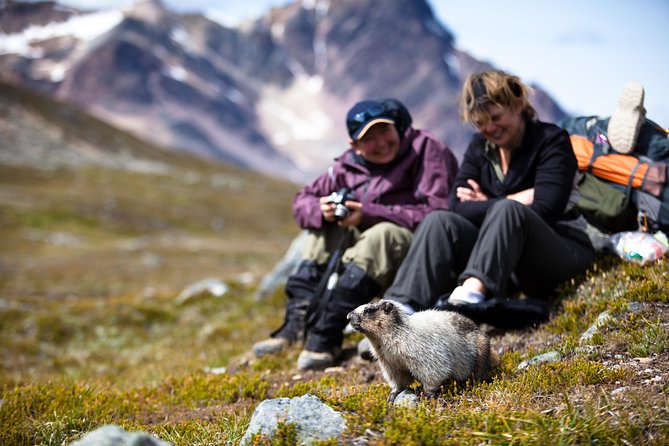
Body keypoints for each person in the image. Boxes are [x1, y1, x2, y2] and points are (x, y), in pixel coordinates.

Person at [251, 98, 459, 370]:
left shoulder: (426, 150)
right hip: (370, 264)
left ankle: (327, 335)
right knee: (321, 233)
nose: (381, 142)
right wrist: (320, 210)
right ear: (355, 146)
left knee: (381, 235)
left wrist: (369, 213)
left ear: (397, 126)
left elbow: (440, 212)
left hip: (419, 258)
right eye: (369, 138)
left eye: (384, 131)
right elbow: (302, 201)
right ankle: (295, 328)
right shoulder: (347, 166)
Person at [382, 70, 596, 325]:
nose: (490, 129)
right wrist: (517, 197)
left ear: (517, 105)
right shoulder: (479, 147)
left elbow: (546, 209)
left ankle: (468, 300)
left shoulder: (551, 141)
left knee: (508, 210)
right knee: (439, 220)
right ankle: (397, 310)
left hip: (560, 250)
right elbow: (456, 207)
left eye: (495, 117)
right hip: (505, 261)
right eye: (480, 122)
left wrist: (492, 203)